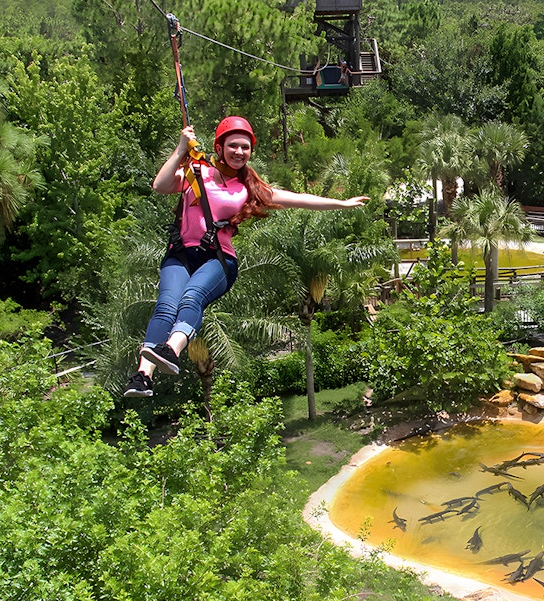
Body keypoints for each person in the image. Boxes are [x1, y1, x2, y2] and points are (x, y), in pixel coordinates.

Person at [124, 116, 368, 397]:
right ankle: (143, 376)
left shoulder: (248, 188)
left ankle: (173, 349)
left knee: (191, 297)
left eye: (245, 147)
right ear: (219, 146)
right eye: (233, 146)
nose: (239, 152)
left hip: (218, 259)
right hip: (179, 254)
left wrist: (341, 203)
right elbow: (160, 185)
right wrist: (180, 150)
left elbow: (297, 198)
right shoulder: (196, 172)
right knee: (166, 304)